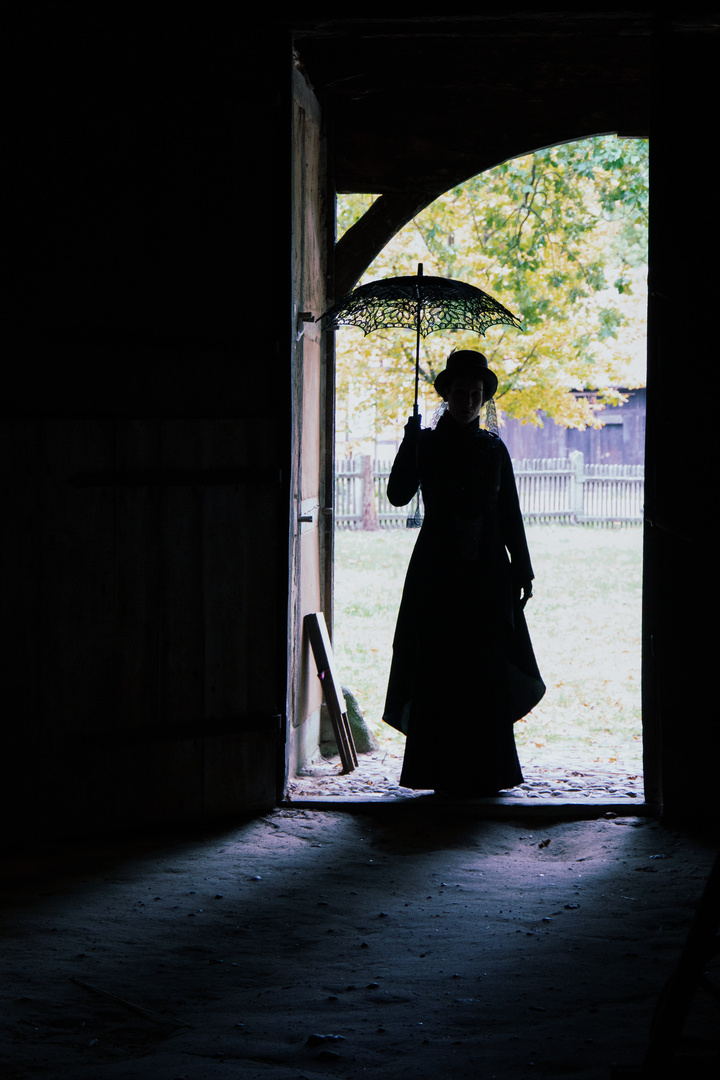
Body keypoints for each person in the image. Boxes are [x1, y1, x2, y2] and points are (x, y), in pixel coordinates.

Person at [382, 350, 545, 796]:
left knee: (483, 668)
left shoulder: (494, 448)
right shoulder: (427, 445)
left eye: (476, 394)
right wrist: (408, 442)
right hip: (436, 573)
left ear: (483, 399)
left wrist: (524, 568)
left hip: (488, 574)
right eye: (460, 393)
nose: (468, 401)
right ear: (446, 395)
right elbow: (397, 496)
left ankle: (488, 773)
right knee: (439, 666)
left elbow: (509, 512)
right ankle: (436, 771)